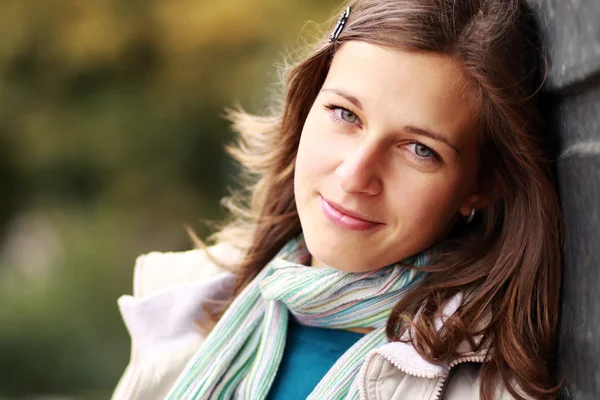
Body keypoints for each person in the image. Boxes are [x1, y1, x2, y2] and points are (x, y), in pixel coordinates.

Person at [111, 0, 563, 399]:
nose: (354, 176)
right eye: (345, 114)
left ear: (480, 186)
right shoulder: (183, 302)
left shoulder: (487, 390)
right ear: (307, 105)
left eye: (420, 149)